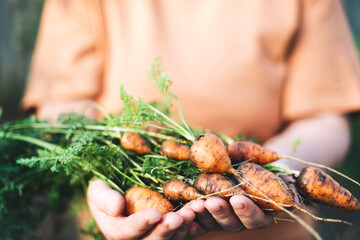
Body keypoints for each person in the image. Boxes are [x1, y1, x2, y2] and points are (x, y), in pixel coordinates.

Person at [22, 0, 360, 239]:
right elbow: (62, 106)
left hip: (275, 228)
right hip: (129, 218)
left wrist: (278, 168)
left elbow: (324, 117)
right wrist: (99, 177)